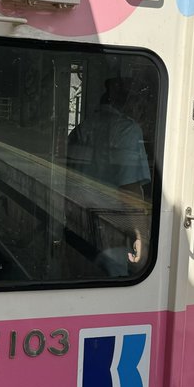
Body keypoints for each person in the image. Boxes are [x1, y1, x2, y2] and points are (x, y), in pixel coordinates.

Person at [67, 76, 151, 276]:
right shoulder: (128, 130)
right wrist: (141, 236)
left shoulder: (84, 127)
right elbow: (129, 189)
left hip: (77, 218)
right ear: (130, 101)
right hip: (112, 225)